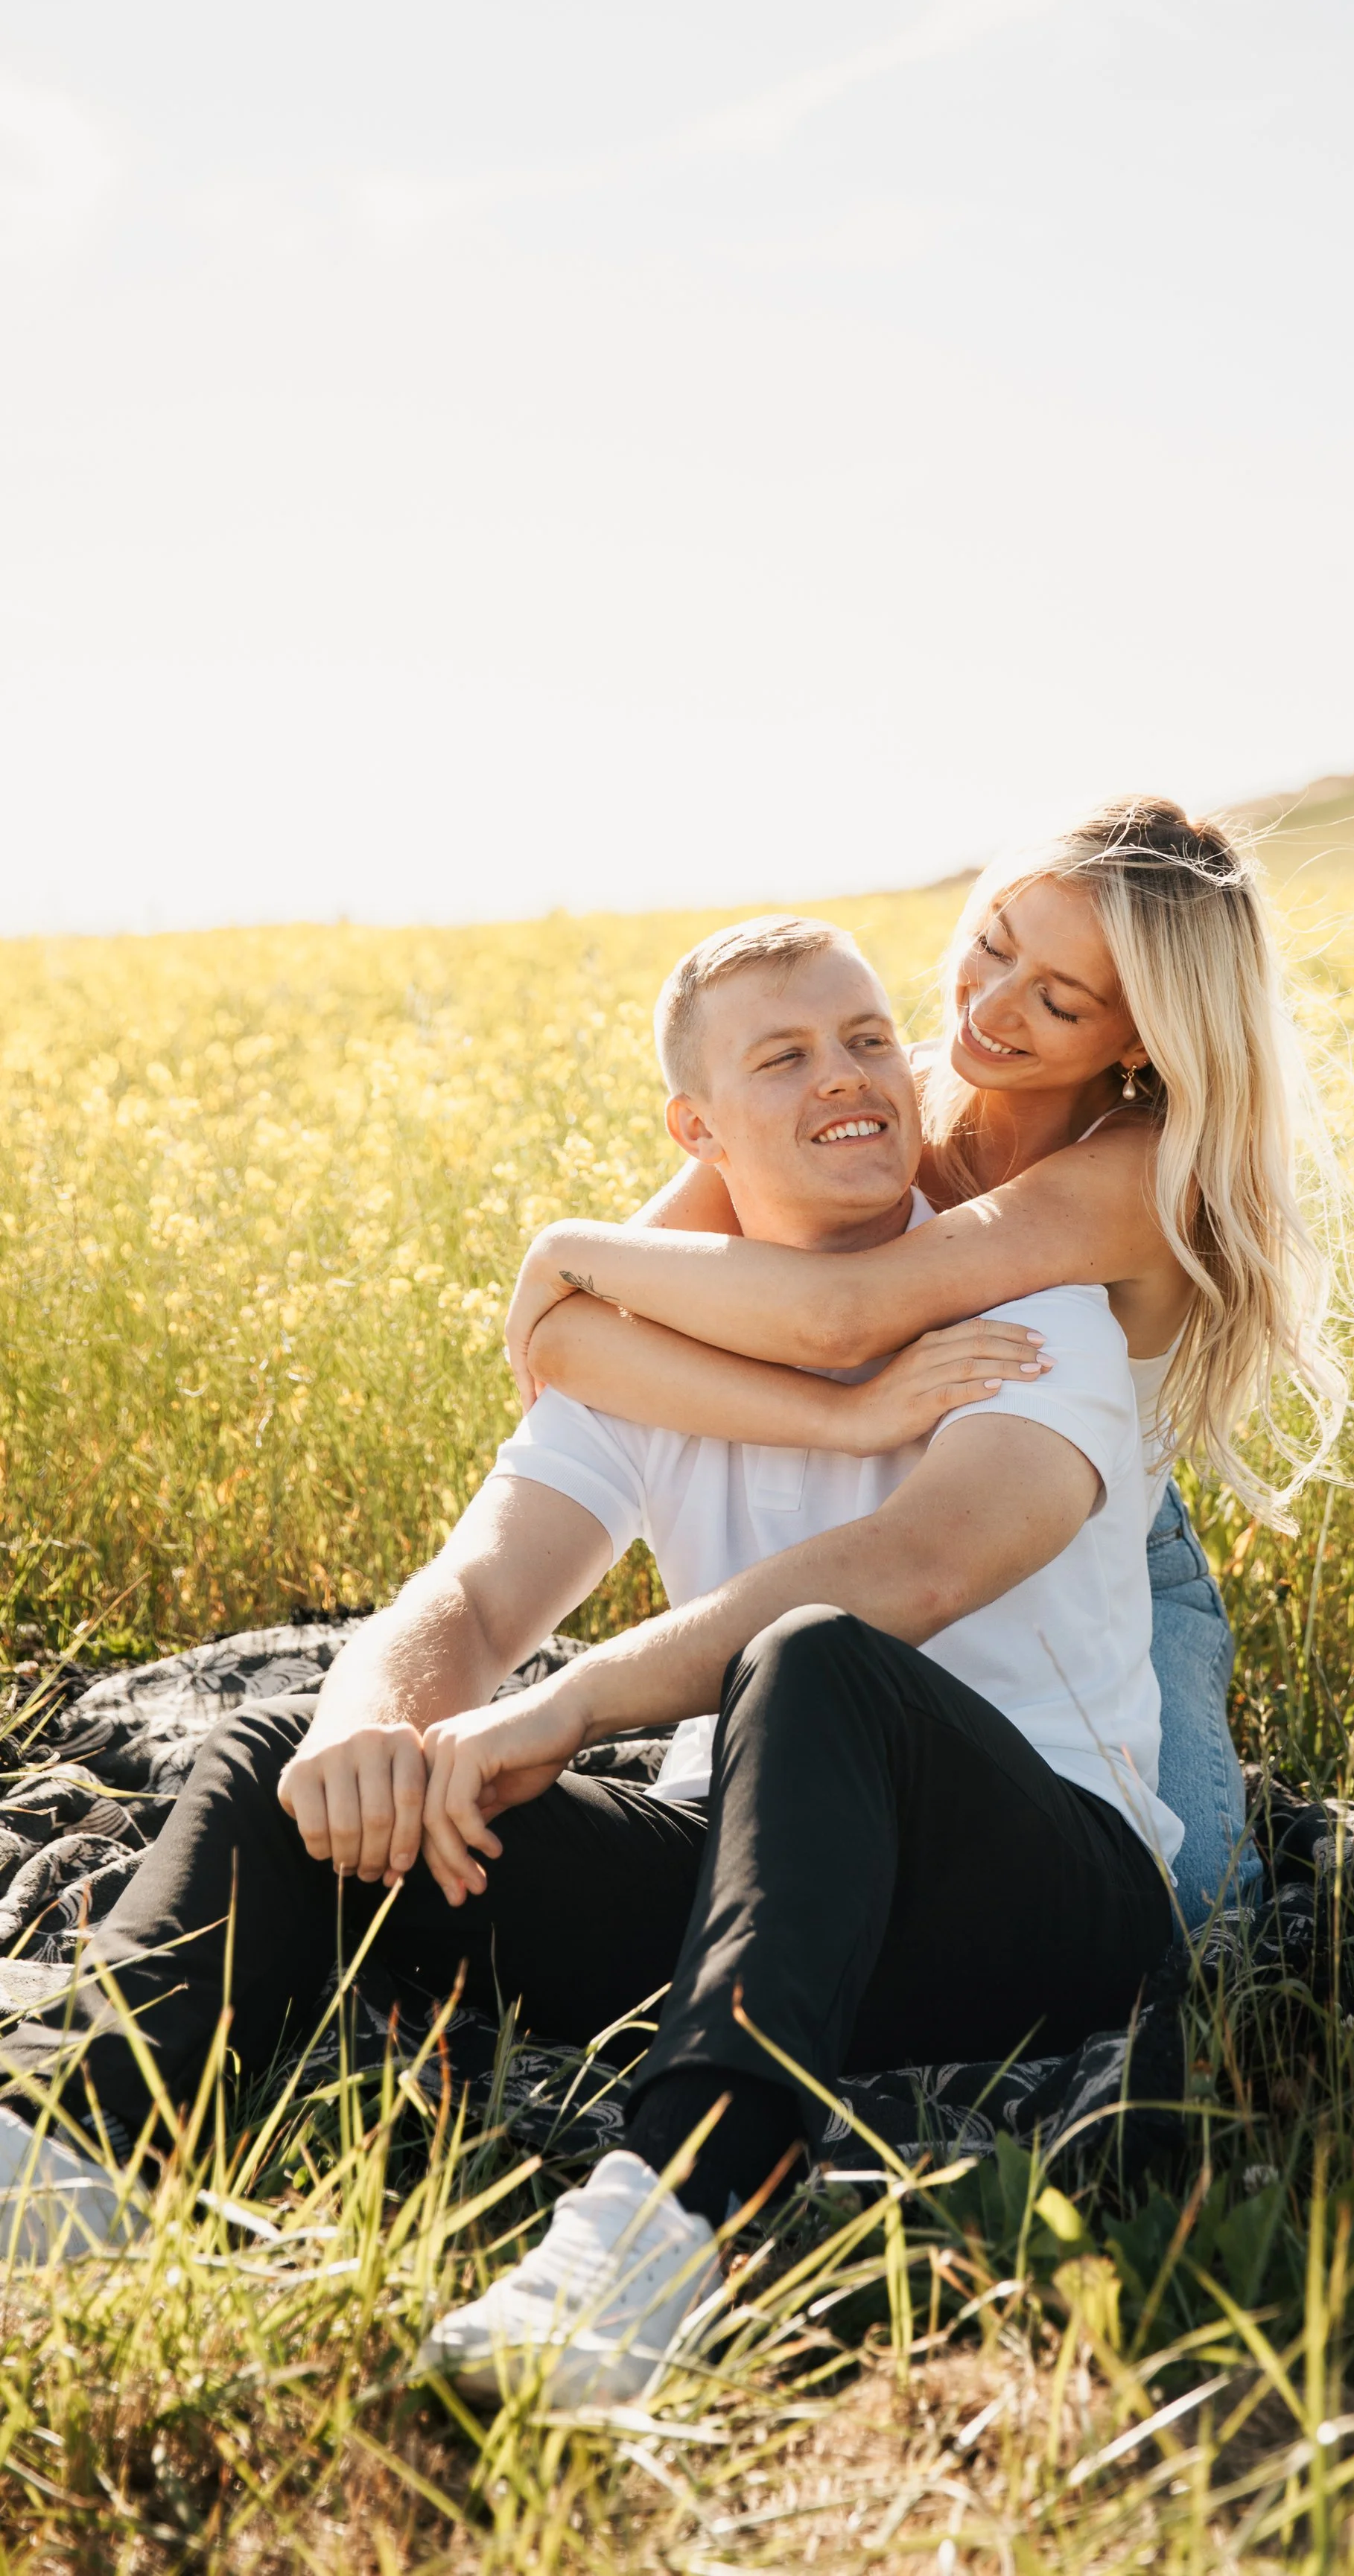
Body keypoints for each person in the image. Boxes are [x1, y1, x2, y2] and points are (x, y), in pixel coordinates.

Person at [1, 917, 1179, 2417]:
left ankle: (651, 2239)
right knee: (281, 1754)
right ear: (697, 1129)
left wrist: (569, 1704)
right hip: (747, 1896)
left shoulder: (1033, 1309)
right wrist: (372, 1730)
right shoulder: (659, 1341)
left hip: (1035, 1894)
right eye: (786, 1055)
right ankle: (58, 2161)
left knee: (813, 1663)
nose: (851, 1078)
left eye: (870, 1038)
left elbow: (920, 1567)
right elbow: (478, 1592)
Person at [501, 797, 1347, 1915]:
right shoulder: (887, 1086)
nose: (989, 1007)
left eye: (1058, 998)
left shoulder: (1143, 1172)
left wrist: (565, 1248)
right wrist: (830, 1420)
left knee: (1182, 1910)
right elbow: (581, 1339)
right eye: (994, 943)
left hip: (1096, 1556)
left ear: (1140, 1038)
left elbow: (839, 1316)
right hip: (867, 1524)